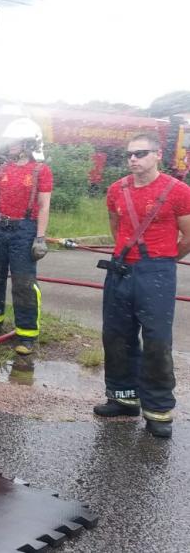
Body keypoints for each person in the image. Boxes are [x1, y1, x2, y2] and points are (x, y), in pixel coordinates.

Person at [93, 133, 190, 439]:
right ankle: (123, 398)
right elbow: (116, 227)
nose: (133, 159)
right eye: (130, 154)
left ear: (158, 155)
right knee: (116, 336)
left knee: (157, 340)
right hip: (120, 269)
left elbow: (188, 235)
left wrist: (163, 260)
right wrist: (128, 256)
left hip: (157, 272)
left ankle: (158, 411)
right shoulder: (116, 189)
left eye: (141, 153)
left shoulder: (178, 191)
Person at [0, 117, 52, 355]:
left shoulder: (40, 171)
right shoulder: (3, 168)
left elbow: (44, 206)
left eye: (15, 140)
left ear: (29, 143)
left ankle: (26, 333)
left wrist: (40, 238)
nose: (10, 144)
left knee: (23, 282)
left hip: (24, 230)